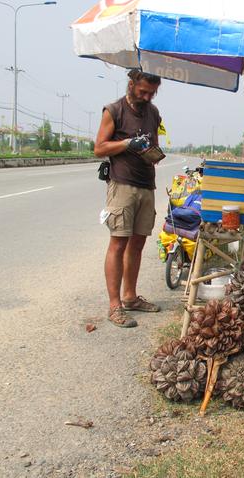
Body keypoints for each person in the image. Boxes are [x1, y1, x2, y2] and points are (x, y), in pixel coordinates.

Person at [94, 69, 163, 328]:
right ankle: (115, 306)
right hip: (122, 184)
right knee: (118, 244)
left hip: (146, 184)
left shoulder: (153, 113)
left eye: (152, 93)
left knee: (137, 244)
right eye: (143, 91)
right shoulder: (114, 110)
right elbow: (99, 148)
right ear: (132, 84)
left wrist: (152, 152)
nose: (146, 96)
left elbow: (153, 142)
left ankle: (131, 297)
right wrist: (127, 144)